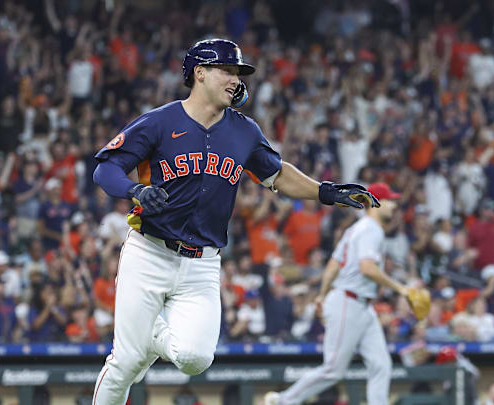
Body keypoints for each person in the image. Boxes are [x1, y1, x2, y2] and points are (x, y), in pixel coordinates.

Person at [90, 38, 379, 405]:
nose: (235, 79)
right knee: (126, 362)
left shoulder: (243, 131)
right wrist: (135, 191)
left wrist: (325, 192)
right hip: (149, 252)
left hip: (202, 263)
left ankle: (149, 336)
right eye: (227, 70)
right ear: (200, 73)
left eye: (238, 72)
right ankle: (141, 343)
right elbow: (106, 169)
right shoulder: (161, 122)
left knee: (196, 359)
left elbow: (277, 174)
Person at [265, 183, 411, 405]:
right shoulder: (371, 229)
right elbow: (367, 268)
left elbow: (333, 264)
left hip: (360, 305)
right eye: (389, 200)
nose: (394, 205)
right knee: (333, 369)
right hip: (348, 301)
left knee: (381, 364)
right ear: (375, 203)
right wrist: (402, 289)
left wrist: (322, 295)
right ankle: (283, 400)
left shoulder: (356, 229)